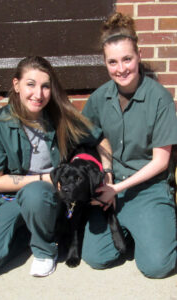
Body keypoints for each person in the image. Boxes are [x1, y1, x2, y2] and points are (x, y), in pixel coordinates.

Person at [0, 56, 106, 278]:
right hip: (9, 199)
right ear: (16, 85)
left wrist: (106, 175)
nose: (38, 94)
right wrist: (44, 178)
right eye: (30, 84)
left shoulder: (62, 117)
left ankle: (44, 252)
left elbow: (99, 139)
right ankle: (26, 235)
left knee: (35, 194)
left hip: (50, 198)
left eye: (45, 86)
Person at [82, 12, 177, 278]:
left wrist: (117, 188)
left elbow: (161, 161)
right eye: (112, 62)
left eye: (127, 59)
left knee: (158, 266)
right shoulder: (99, 98)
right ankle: (138, 231)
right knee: (95, 257)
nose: (121, 68)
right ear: (105, 62)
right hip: (111, 185)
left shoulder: (160, 99)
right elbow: (92, 141)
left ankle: (152, 228)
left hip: (148, 188)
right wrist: (107, 177)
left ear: (138, 56)